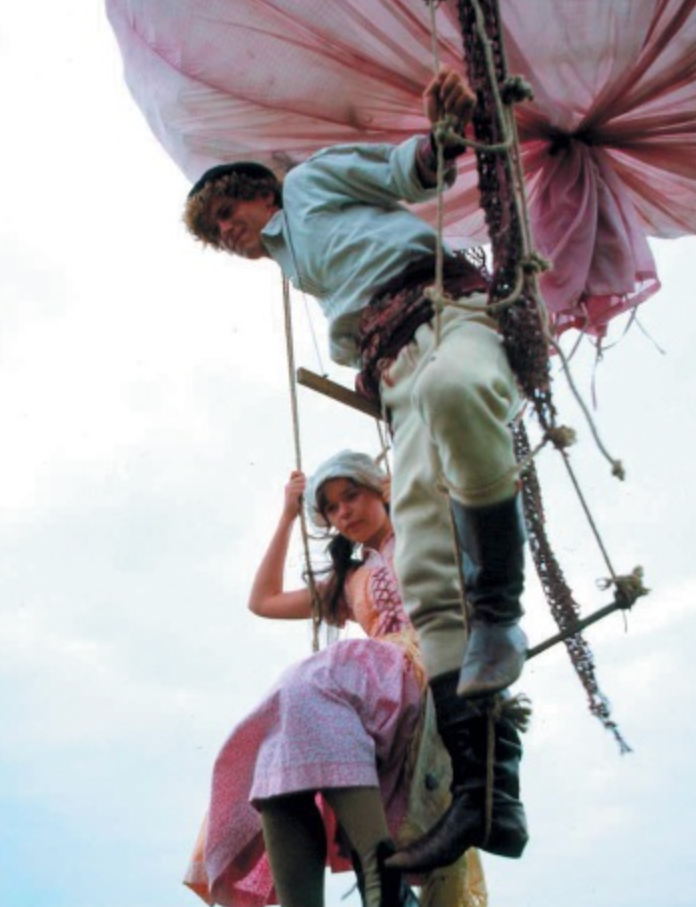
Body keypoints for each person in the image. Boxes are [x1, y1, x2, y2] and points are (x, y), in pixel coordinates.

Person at [182, 69, 528, 872]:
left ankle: (502, 610)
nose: (229, 230)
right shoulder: (292, 264)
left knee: (459, 389)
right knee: (433, 574)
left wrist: (443, 135)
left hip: (441, 313)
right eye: (216, 229)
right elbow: (265, 600)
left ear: (257, 194)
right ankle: (487, 799)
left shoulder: (308, 184)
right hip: (389, 373)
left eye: (229, 212)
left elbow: (411, 172)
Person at [184, 451, 495, 907]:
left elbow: (481, 495)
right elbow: (263, 600)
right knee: (276, 750)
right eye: (330, 507)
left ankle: (381, 881)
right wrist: (288, 517)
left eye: (352, 495)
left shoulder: (428, 534)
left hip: (427, 672)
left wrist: (420, 486)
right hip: (372, 692)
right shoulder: (349, 580)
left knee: (306, 682)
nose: (343, 511)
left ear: (381, 490)